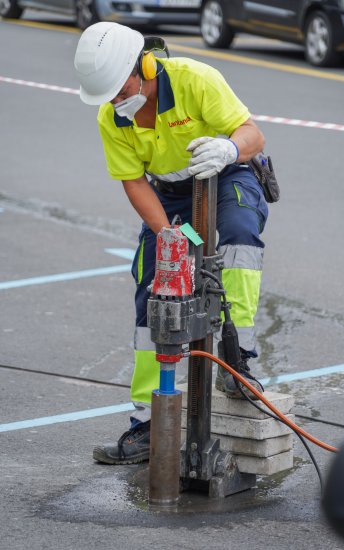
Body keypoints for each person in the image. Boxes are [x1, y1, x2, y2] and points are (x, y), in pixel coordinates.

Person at [74, 22, 268, 465]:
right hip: (168, 193)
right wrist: (169, 237)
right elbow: (134, 182)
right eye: (108, 95)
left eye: (121, 89)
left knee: (238, 240)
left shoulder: (195, 79)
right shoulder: (112, 117)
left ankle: (237, 363)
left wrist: (227, 148)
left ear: (144, 65)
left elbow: (253, 135)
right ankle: (146, 420)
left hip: (227, 171)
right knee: (153, 286)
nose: (117, 101)